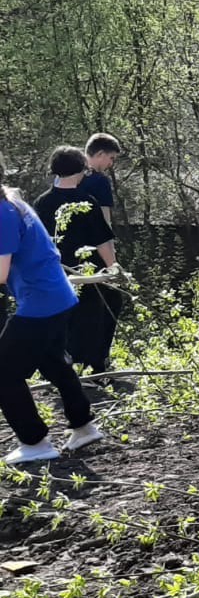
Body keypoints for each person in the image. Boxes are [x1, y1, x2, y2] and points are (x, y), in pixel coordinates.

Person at [0, 184, 103, 464]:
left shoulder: (3, 213)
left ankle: (34, 442)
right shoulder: (13, 203)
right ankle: (84, 427)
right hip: (57, 297)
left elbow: (1, 272)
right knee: (54, 362)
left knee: (4, 371)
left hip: (40, 302)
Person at [33, 147, 123, 376]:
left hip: (54, 276)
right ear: (81, 170)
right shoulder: (87, 202)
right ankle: (93, 368)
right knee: (96, 315)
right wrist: (114, 268)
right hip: (87, 274)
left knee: (60, 322)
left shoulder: (41, 203)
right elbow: (103, 241)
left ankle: (60, 368)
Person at [82, 132, 121, 227]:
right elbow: (105, 222)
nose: (111, 163)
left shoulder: (66, 176)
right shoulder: (100, 181)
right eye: (111, 158)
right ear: (100, 154)